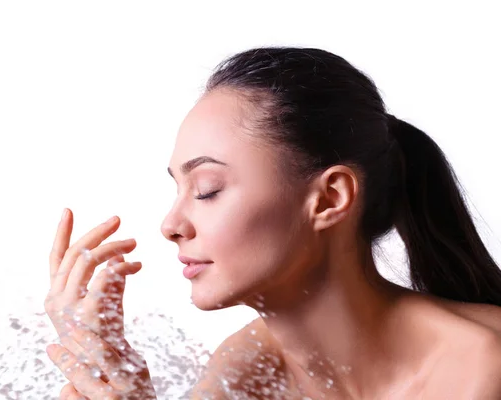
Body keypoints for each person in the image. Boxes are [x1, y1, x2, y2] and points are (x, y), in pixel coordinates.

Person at [43, 47, 501, 399]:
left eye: (207, 189)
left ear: (328, 198)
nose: (171, 224)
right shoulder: (247, 369)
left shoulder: (483, 367)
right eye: (177, 190)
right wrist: (108, 373)